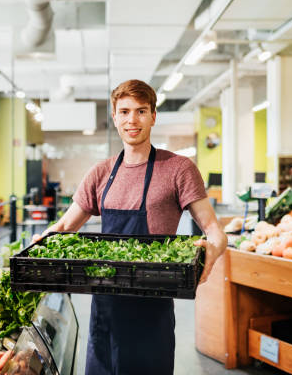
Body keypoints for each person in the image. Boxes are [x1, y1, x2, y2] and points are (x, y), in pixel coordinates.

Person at [33, 79, 226, 375]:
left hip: (153, 304)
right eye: (124, 111)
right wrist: (42, 243)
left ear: (153, 116)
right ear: (114, 117)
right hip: (106, 305)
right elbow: (64, 227)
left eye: (141, 111)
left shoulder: (178, 169)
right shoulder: (101, 173)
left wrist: (210, 253)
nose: (132, 120)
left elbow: (213, 228)